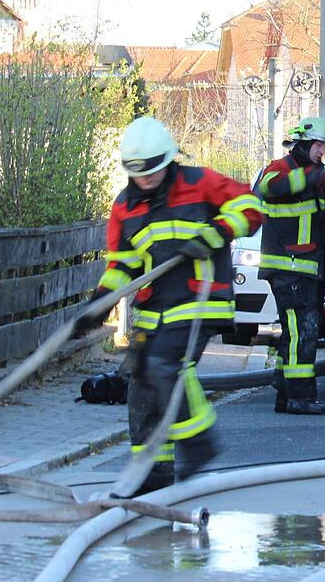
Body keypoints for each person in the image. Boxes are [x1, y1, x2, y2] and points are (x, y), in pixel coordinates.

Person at [75, 116, 265, 494]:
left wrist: (216, 232)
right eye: (138, 174)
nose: (145, 180)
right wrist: (99, 303)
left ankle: (199, 442)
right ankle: (154, 474)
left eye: (152, 172)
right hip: (155, 310)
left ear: (167, 161)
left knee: (165, 365)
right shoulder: (125, 207)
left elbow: (251, 207)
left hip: (200, 300)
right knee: (141, 387)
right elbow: (123, 265)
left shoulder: (199, 183)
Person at [257, 116, 325, 415]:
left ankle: (284, 393)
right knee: (304, 331)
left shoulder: (318, 181)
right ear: (302, 144)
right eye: (318, 145)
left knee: (294, 333)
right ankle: (300, 397)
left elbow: (324, 228)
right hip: (288, 270)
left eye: (324, 145)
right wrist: (312, 177)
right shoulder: (280, 168)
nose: (321, 151)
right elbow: (268, 187)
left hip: (308, 271)